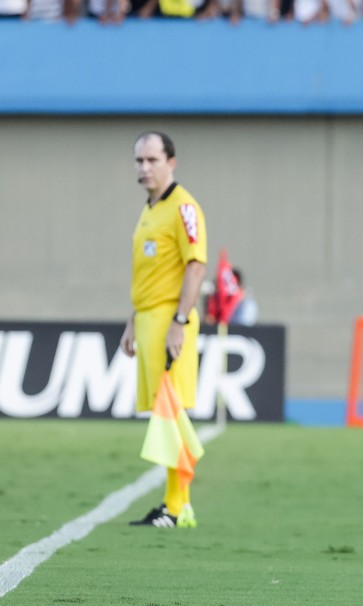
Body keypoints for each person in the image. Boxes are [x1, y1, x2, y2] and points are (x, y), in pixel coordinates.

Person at [121, 132, 208, 528]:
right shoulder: (149, 210)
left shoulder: (183, 206)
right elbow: (150, 275)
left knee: (169, 411)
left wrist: (179, 321)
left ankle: (176, 506)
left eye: (152, 160)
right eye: (139, 161)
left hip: (169, 322)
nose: (144, 168)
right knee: (165, 414)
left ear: (171, 161)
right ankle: (178, 505)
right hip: (148, 320)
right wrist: (132, 321)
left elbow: (196, 265)